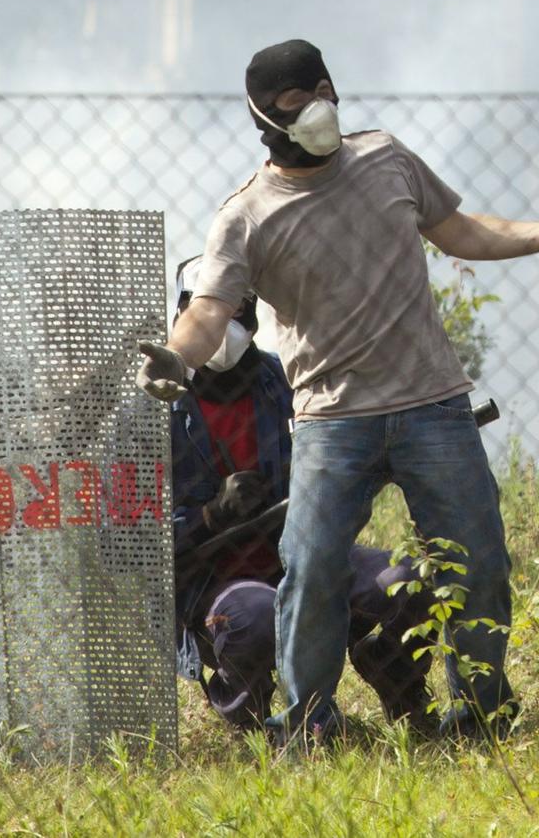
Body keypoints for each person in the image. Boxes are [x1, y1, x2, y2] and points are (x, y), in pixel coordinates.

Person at [137, 39, 539, 742]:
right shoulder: (245, 216)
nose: (316, 110)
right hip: (334, 422)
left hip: (432, 404)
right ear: (263, 121)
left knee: (477, 562)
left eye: (322, 90)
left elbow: (458, 229)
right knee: (310, 571)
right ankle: (308, 727)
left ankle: (480, 714)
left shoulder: (386, 159)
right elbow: (208, 313)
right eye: (293, 103)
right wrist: (177, 363)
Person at [166, 262, 432, 730]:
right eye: (203, 310)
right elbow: (135, 541)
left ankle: (398, 686)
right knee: (256, 615)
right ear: (181, 315)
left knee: (407, 580)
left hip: (305, 560)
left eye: (237, 310)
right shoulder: (157, 409)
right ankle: (249, 725)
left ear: (253, 317)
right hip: (217, 582)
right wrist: (209, 516)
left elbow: (345, 454)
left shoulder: (286, 381)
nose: (221, 325)